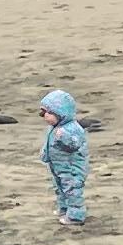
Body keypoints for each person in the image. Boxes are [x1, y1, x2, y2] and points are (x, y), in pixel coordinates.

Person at [38, 87, 90, 227]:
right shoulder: (53, 128)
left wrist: (64, 138)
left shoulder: (72, 128)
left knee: (72, 189)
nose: (45, 116)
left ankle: (76, 215)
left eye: (48, 113)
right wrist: (45, 153)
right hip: (58, 165)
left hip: (71, 167)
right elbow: (49, 143)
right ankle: (64, 209)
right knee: (59, 188)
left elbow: (75, 144)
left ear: (61, 113)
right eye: (43, 113)